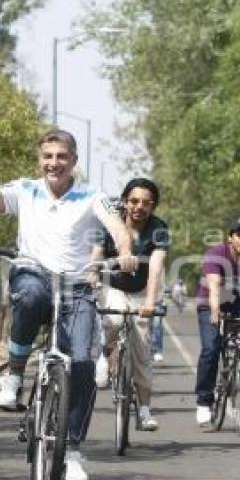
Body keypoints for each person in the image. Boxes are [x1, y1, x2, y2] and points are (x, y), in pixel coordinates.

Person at [0, 129, 135, 480]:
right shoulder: (25, 189)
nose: (54, 163)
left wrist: (126, 251)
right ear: (40, 160)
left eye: (61, 156)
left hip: (77, 285)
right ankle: (15, 376)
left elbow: (117, 227)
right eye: (48, 156)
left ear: (74, 161)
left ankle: (72, 453)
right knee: (31, 297)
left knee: (83, 363)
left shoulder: (92, 196)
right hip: (34, 272)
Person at [92, 177, 169, 431]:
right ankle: (106, 352)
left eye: (147, 203)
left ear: (153, 206)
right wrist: (92, 275)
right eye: (134, 201)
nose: (139, 207)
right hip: (112, 285)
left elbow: (156, 266)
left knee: (142, 351)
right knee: (113, 319)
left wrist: (149, 303)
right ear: (125, 201)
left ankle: (145, 410)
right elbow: (96, 254)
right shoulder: (109, 222)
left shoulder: (159, 228)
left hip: (142, 288)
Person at [193, 216, 240, 427]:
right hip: (211, 302)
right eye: (239, 236)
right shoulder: (216, 254)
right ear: (230, 238)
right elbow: (214, 285)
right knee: (211, 348)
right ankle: (204, 401)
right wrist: (215, 309)